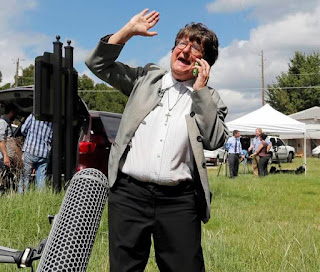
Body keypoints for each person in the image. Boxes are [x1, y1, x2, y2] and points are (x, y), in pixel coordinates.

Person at [85, 9, 228, 272]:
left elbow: (215, 140)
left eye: (195, 48)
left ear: (205, 62)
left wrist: (201, 92)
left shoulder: (209, 98)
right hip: (129, 193)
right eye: (181, 43)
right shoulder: (147, 78)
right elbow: (97, 64)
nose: (184, 50)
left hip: (179, 201)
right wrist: (128, 30)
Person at [18, 113, 53, 193]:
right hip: (44, 152)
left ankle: (21, 198)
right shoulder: (52, 121)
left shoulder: (33, 116)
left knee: (24, 177)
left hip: (31, 150)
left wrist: (30, 136)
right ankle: (40, 200)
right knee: (41, 178)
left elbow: (23, 130)